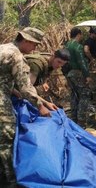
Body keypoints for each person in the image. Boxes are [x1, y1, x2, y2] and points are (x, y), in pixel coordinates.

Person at [0, 27, 58, 186]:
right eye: (34, 45)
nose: (35, 49)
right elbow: (26, 88)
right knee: (6, 141)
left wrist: (14, 91)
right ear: (25, 41)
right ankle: (10, 182)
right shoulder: (16, 56)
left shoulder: (3, 49)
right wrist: (40, 106)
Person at [65, 27, 92, 127]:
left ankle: (73, 118)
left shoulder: (66, 45)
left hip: (69, 74)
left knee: (74, 95)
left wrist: (66, 75)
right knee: (85, 95)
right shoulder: (77, 47)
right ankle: (81, 121)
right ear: (79, 34)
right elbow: (82, 62)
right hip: (78, 73)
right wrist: (87, 75)